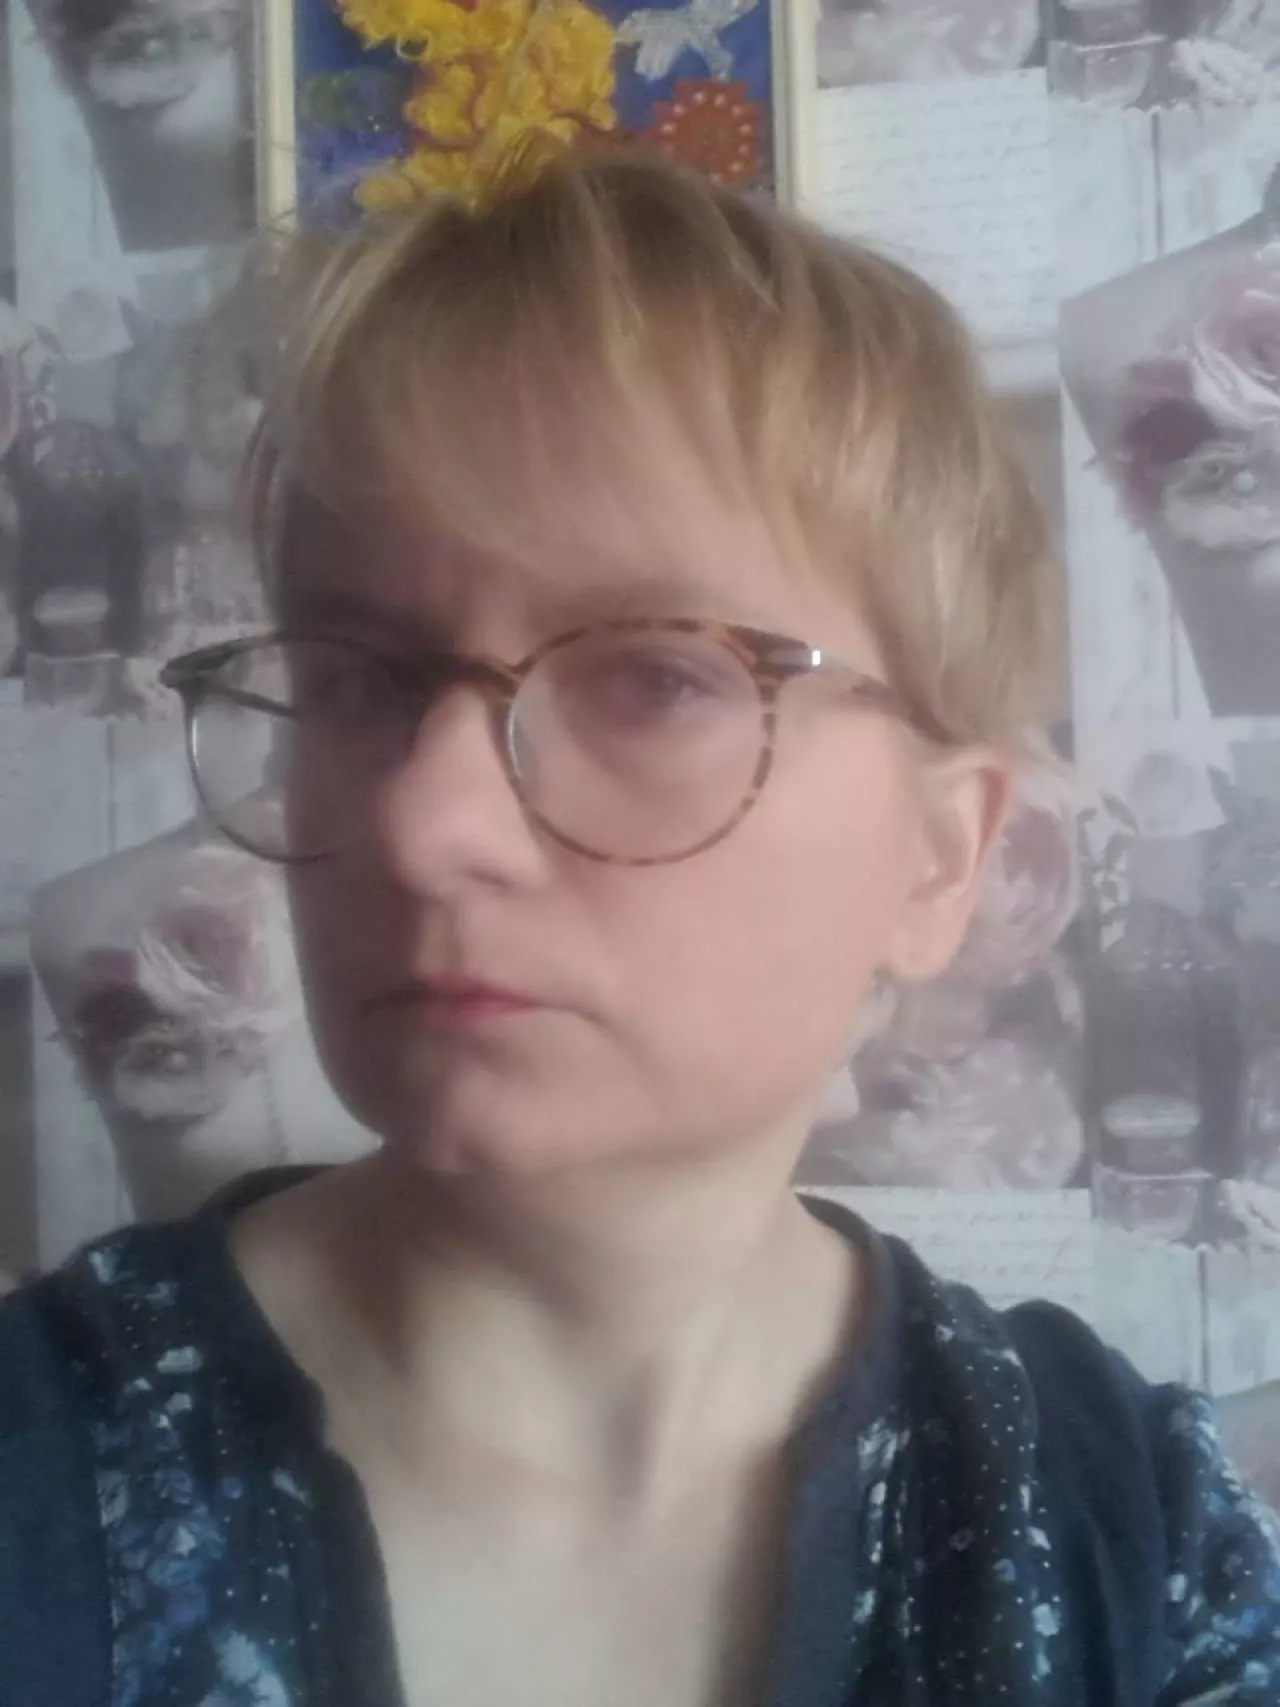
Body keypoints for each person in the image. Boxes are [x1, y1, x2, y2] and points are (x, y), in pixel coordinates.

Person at [3, 145, 1279, 1707]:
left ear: (944, 859)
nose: (423, 822)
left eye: (658, 677)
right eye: (356, 682)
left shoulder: (1129, 1549)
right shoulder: (40, 1488)